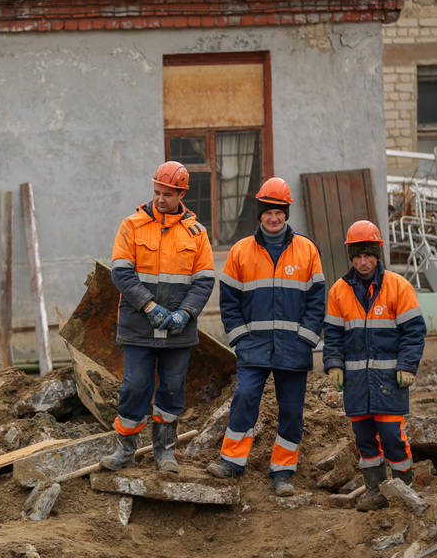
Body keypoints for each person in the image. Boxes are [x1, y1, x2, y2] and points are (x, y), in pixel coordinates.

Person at [207, 177, 325, 497]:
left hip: (293, 348)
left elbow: (317, 301)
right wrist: (240, 338)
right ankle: (232, 462)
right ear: (260, 214)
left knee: (291, 410)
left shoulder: (307, 250)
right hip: (254, 346)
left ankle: (283, 471)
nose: (274, 218)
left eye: (279, 212)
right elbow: (229, 301)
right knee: (244, 398)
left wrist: (305, 339)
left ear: (286, 214)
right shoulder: (240, 251)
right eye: (268, 212)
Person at [99, 161, 215, 474]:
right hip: (139, 324)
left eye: (167, 194)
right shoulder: (132, 225)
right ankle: (125, 451)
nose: (160, 199)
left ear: (181, 194)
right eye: (157, 192)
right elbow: (122, 274)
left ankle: (165, 454)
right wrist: (149, 306)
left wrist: (185, 313)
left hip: (179, 330)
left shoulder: (196, 233)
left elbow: (204, 281)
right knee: (135, 386)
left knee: (173, 389)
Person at [323, 220, 426, 511]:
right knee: (365, 439)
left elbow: (414, 332)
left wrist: (408, 365)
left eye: (367, 255)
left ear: (377, 254)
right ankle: (374, 491)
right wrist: (334, 364)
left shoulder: (398, 287)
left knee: (392, 437)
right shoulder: (338, 291)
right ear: (351, 257)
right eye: (357, 255)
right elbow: (331, 333)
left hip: (389, 381)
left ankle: (404, 488)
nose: (363, 261)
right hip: (356, 383)